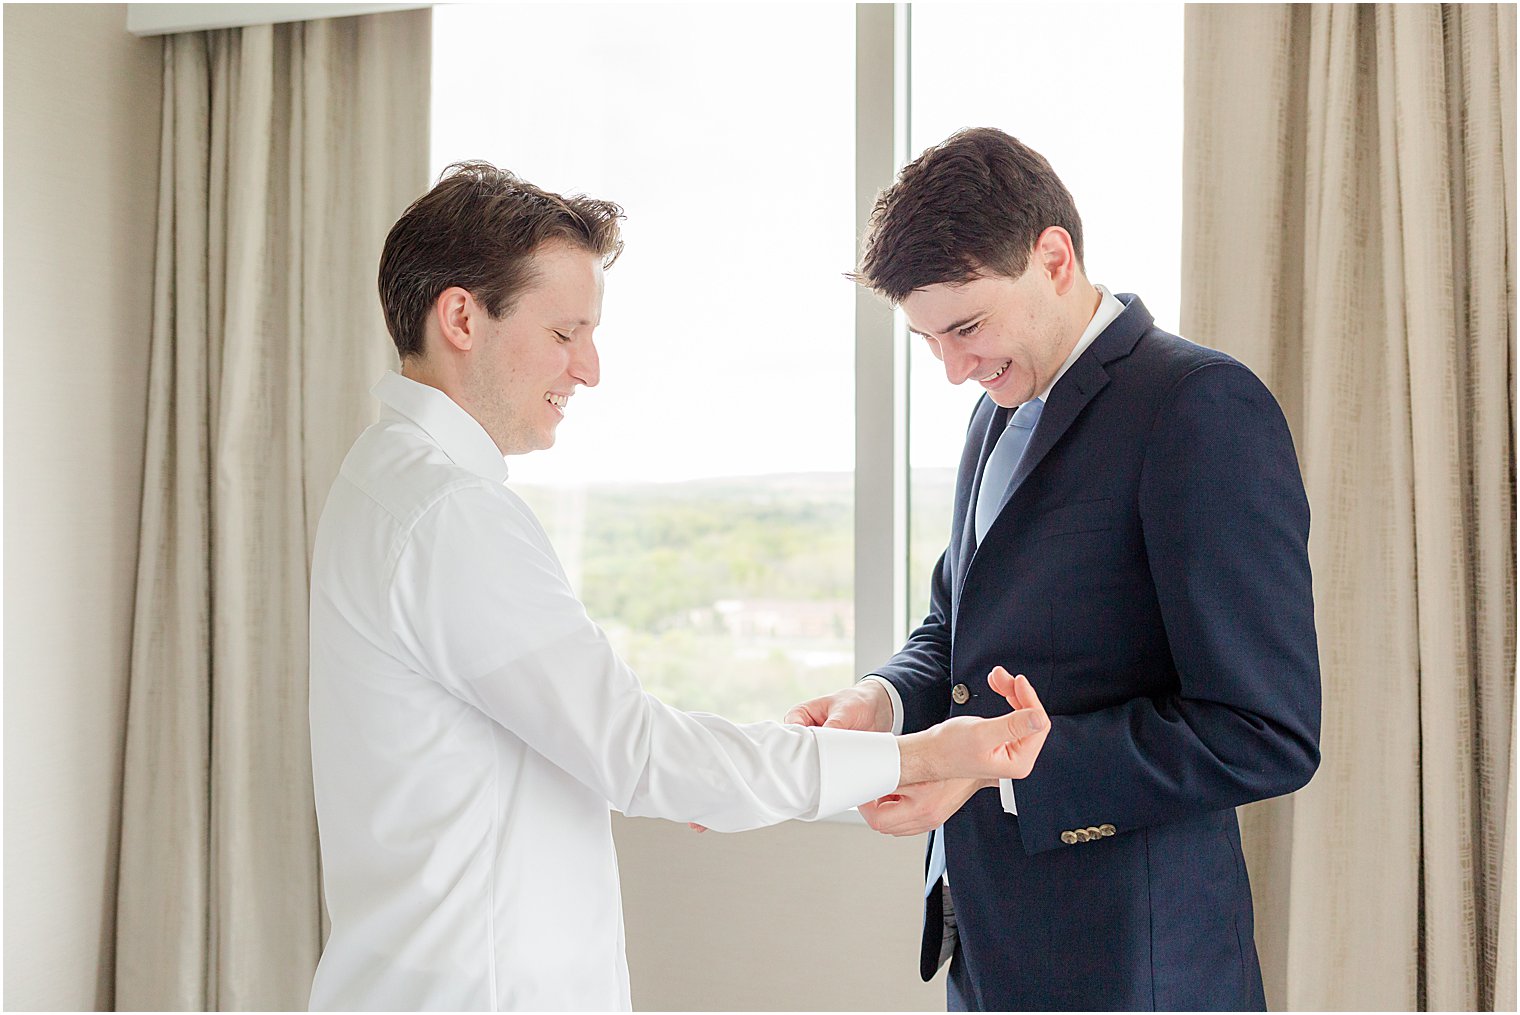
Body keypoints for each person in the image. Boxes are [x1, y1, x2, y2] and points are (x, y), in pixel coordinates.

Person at [305, 161, 1054, 1012]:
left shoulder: (382, 477)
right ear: (462, 317)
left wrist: (730, 772)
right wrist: (922, 753)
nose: (588, 369)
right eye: (564, 332)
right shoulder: (451, 515)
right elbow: (642, 754)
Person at [785, 128, 1322, 1011]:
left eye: (966, 327)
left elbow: (1266, 729)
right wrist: (879, 704)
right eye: (929, 341)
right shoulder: (1001, 404)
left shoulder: (1200, 408)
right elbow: (955, 629)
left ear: (1055, 257)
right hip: (990, 951)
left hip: (1137, 972)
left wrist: (1000, 766)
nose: (954, 368)